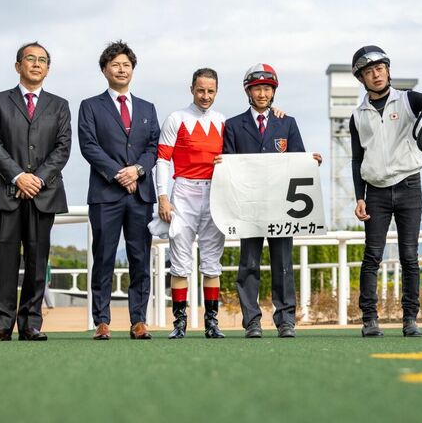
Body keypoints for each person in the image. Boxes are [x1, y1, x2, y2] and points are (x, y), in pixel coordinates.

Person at [0, 42, 71, 341]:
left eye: (42, 60)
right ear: (17, 66)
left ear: (48, 68)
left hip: (43, 194)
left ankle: (31, 323)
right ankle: (1, 324)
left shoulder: (59, 105)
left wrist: (37, 179)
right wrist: (18, 176)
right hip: (5, 191)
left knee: (37, 258)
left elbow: (62, 148)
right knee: (4, 258)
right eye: (29, 59)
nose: (36, 64)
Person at [221, 63, 321, 338]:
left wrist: (312, 162)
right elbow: (228, 164)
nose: (262, 94)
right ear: (248, 91)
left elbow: (299, 158)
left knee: (283, 264)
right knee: (248, 264)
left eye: (267, 88)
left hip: (281, 207)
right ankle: (251, 321)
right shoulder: (232, 125)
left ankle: (286, 319)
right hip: (249, 207)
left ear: (273, 91)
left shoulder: (287, 123)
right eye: (257, 89)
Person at [351, 45, 422, 337]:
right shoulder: (358, 115)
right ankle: (369, 320)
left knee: (409, 256)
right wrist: (359, 196)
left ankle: (410, 319)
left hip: (409, 186)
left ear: (388, 69)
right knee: (372, 256)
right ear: (361, 79)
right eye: (368, 72)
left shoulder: (408, 100)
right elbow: (356, 158)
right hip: (374, 191)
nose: (375, 75)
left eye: (379, 69)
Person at [78, 41, 160, 340]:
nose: (121, 69)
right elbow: (89, 146)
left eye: (126, 65)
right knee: (104, 258)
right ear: (105, 70)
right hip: (105, 195)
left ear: (132, 70)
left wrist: (137, 170)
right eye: (115, 64)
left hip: (140, 196)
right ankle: (102, 321)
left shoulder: (148, 108)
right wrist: (117, 173)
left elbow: (154, 148)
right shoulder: (90, 106)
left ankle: (138, 320)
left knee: (140, 258)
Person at [155, 68, 228, 339]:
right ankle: (180, 323)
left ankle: (212, 323)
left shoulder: (223, 122)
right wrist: (162, 196)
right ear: (192, 89)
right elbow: (162, 160)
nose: (205, 96)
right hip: (183, 191)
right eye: (201, 90)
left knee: (211, 262)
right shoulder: (176, 118)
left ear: (216, 91)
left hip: (214, 193)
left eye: (210, 91)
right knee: (180, 262)